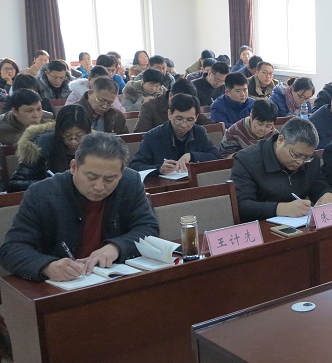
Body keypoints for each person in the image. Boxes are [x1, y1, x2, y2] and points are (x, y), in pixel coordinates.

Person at [0, 132, 159, 282]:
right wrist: (47, 266)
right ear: (74, 167)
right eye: (91, 177)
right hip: (61, 287)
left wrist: (116, 247)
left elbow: (148, 228)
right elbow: (12, 249)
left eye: (110, 179)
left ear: (120, 174)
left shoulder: (130, 182)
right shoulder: (42, 194)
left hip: (113, 279)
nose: (99, 187)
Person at [231, 118, 332, 222]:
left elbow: (319, 185)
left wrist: (328, 194)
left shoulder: (310, 160)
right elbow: (242, 206)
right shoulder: (247, 160)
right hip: (261, 226)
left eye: (306, 157)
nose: (300, 162)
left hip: (299, 225)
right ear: (280, 140)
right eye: (296, 155)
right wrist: (281, 208)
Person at [130, 93, 220, 175]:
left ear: (196, 117)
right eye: (179, 119)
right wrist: (159, 169)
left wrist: (192, 156)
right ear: (170, 114)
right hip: (164, 185)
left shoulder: (199, 132)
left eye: (190, 120)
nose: (184, 125)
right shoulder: (152, 136)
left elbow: (216, 156)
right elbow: (135, 166)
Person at [8, 105, 92, 192]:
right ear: (58, 132)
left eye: (79, 136)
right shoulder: (41, 145)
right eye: (67, 135)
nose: (73, 141)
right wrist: (50, 184)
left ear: (88, 133)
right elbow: (14, 185)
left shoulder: (94, 146)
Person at [134, 78, 210, 133]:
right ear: (170, 96)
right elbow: (139, 136)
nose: (185, 105)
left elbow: (211, 128)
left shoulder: (191, 105)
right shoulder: (150, 107)